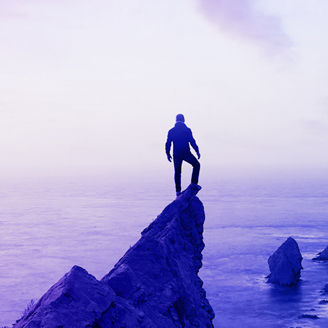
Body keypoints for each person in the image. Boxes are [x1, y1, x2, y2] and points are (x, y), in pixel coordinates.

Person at [165, 114, 201, 196]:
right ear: (184, 120)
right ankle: (193, 184)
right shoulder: (187, 130)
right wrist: (197, 151)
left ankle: (178, 192)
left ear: (176, 120)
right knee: (197, 165)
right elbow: (192, 141)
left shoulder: (171, 131)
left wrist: (167, 153)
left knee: (177, 172)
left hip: (176, 154)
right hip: (186, 153)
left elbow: (168, 143)